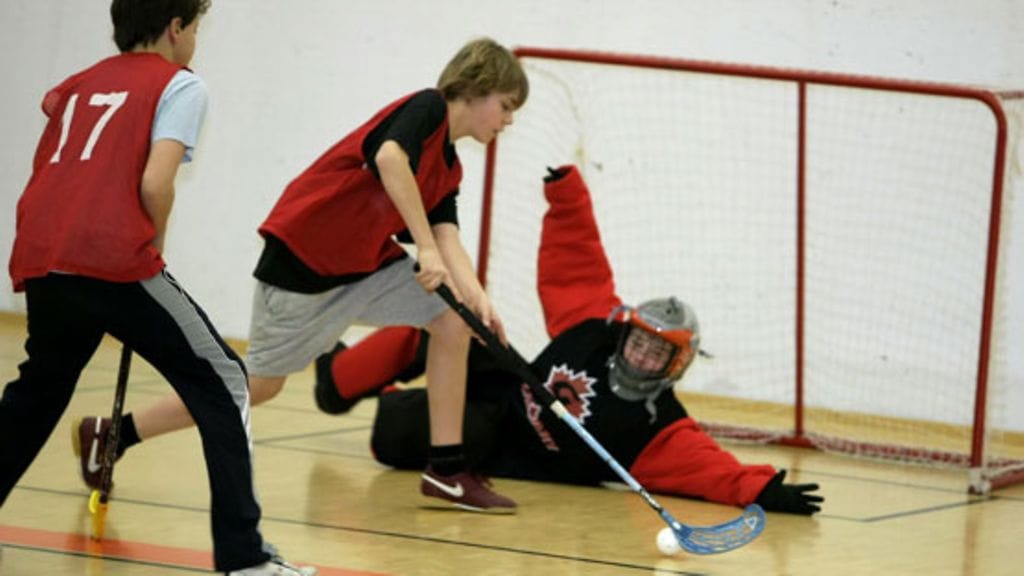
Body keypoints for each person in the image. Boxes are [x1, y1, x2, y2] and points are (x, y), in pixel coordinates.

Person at [74, 37, 530, 514]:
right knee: (257, 387)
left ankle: (446, 470)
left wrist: (480, 301)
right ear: (476, 88)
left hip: (365, 267)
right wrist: (428, 251)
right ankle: (116, 433)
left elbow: (446, 235)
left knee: (454, 320)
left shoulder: (448, 168)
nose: (508, 120)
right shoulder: (427, 108)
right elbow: (389, 158)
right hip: (302, 266)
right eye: (505, 106)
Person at [1, 2, 316, 575]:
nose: (195, 38)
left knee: (39, 390)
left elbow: (57, 172)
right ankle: (245, 558)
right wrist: (152, 238)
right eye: (195, 27)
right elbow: (155, 181)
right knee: (226, 381)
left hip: (44, 252)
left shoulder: (77, 85)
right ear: (175, 28)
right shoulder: (180, 85)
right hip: (111, 257)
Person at [316, 165, 824, 515]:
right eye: (638, 341)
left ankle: (395, 403)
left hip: (499, 444)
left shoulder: (659, 431)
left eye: (657, 353)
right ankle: (334, 379)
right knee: (447, 324)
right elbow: (576, 262)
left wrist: (761, 490)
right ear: (625, 332)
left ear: (676, 365)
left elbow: (709, 470)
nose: (641, 354)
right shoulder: (594, 330)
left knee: (395, 431)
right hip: (505, 385)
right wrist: (567, 198)